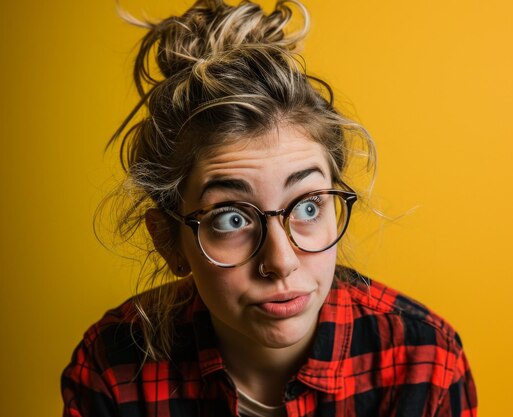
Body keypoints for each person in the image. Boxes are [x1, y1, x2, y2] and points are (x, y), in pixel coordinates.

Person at [61, 1, 478, 416]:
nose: (280, 262)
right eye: (232, 219)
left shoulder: (424, 361)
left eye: (309, 207)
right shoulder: (111, 369)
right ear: (169, 240)